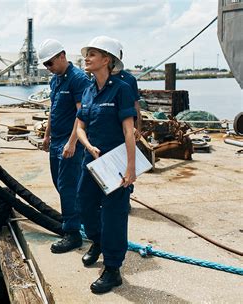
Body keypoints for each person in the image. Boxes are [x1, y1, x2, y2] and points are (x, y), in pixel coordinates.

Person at [75, 36, 137, 294]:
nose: (86, 58)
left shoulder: (121, 89)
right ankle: (98, 242)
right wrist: (87, 145)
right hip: (91, 160)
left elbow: (129, 130)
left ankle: (113, 269)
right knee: (84, 204)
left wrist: (131, 168)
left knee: (114, 214)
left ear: (107, 60)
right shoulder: (88, 90)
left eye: (92, 54)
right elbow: (80, 126)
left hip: (116, 162)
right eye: (86, 53)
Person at [37, 38, 91, 253]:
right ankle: (80, 219)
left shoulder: (78, 79)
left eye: (50, 63)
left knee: (68, 187)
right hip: (57, 140)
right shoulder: (55, 81)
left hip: (70, 142)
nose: (48, 68)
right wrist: (46, 135)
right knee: (59, 184)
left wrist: (72, 142)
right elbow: (53, 110)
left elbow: (82, 114)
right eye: (45, 65)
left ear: (62, 56)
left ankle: (72, 233)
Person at [111, 40, 142, 140]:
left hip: (126, 127)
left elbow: (136, 106)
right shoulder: (96, 79)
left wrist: (138, 128)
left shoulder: (129, 79)